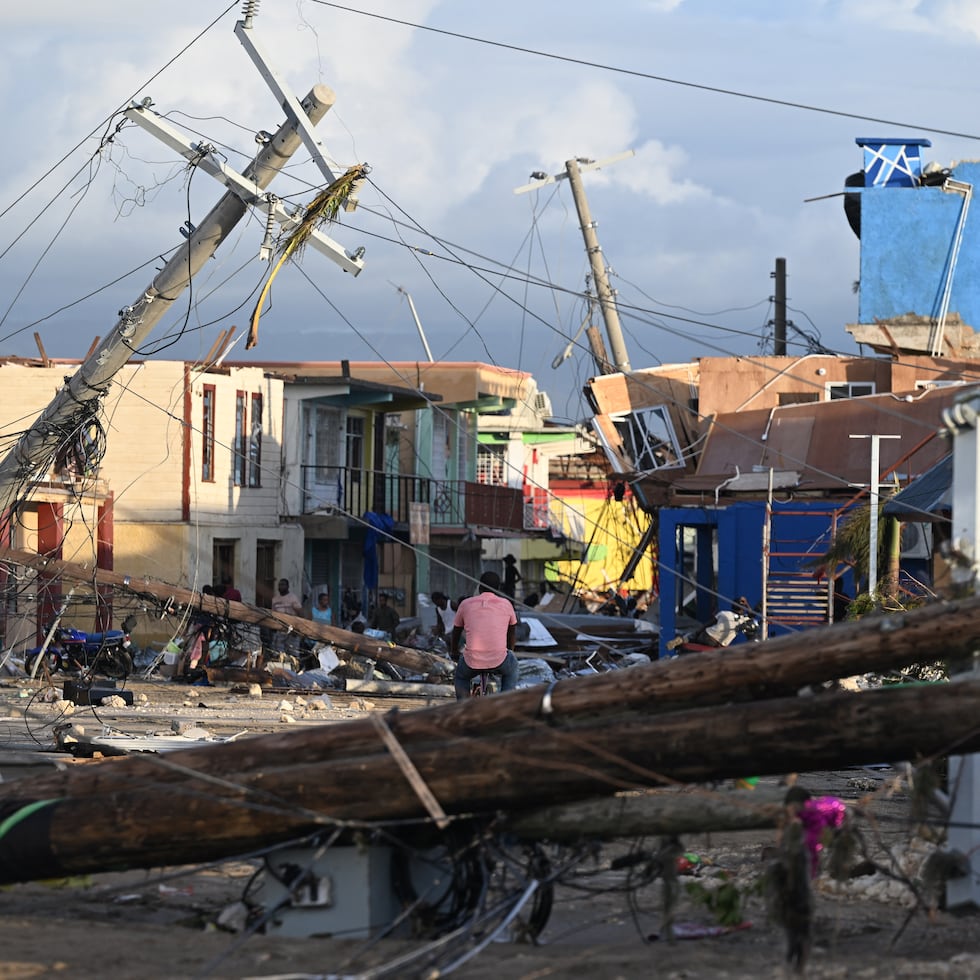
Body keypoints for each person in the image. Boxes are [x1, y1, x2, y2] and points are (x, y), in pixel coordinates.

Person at [450, 571, 519, 701]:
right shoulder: (506, 604)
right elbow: (512, 632)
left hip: (472, 661)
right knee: (512, 668)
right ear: (498, 589)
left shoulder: (465, 604)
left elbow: (456, 631)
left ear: (479, 587)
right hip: (499, 659)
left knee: (461, 676)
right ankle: (506, 702)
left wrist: (454, 651)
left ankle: (462, 708)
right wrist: (510, 650)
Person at [270, 578, 304, 652]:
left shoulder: (293, 598)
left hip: (292, 629)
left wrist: (297, 628)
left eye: (283, 585)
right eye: (279, 585)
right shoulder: (275, 599)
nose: (281, 587)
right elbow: (273, 613)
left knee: (292, 651)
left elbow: (300, 613)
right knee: (279, 652)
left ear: (287, 586)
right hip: (280, 629)